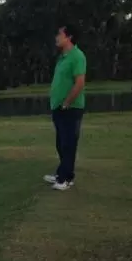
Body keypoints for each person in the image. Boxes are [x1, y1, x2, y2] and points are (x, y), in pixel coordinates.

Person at [44, 25, 87, 192]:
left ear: (69, 37)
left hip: (70, 108)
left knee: (68, 144)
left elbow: (80, 83)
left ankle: (65, 179)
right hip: (59, 107)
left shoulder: (77, 56)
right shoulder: (63, 57)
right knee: (61, 144)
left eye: (59, 34)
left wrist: (67, 103)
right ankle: (64, 174)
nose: (56, 37)